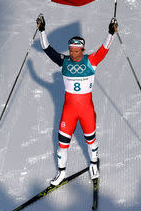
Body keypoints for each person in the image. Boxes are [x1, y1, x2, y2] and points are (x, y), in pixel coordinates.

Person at [35, 14, 118, 185]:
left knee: (91, 140)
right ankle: (61, 173)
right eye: (71, 50)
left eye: (76, 51)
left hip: (86, 110)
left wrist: (111, 33)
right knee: (62, 143)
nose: (72, 54)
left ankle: (94, 164)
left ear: (82, 50)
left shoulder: (91, 60)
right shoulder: (64, 61)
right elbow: (47, 49)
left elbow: (104, 49)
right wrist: (42, 30)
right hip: (69, 111)